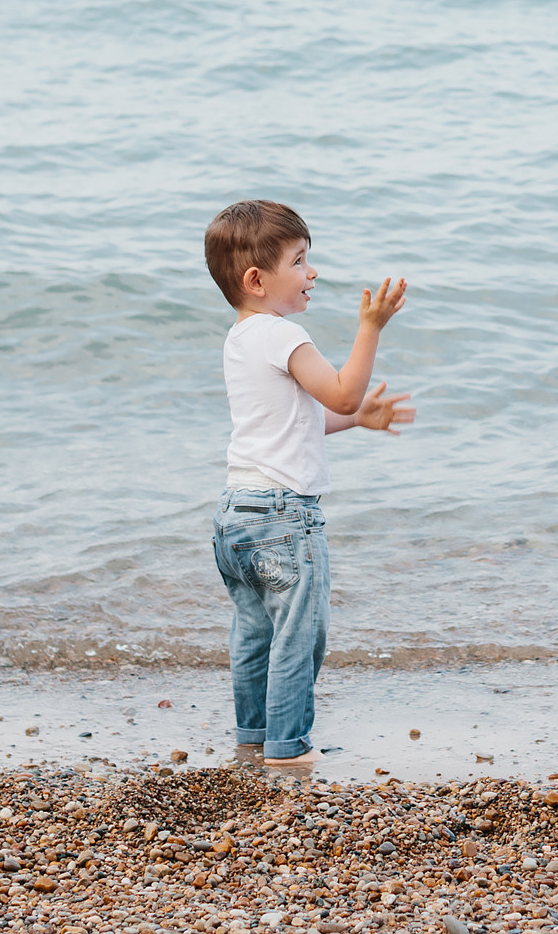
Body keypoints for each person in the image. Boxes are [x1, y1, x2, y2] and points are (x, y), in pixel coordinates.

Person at [202, 199, 414, 769]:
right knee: (298, 637)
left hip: (235, 515)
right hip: (283, 519)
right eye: (299, 261)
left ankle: (253, 736)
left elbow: (304, 418)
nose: (311, 272)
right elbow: (341, 390)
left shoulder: (240, 339)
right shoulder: (284, 335)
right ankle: (288, 749)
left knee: (252, 634)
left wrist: (357, 419)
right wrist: (370, 328)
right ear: (257, 280)